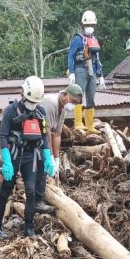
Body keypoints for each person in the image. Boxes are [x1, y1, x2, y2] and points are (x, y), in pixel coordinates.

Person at [0, 77, 56, 238]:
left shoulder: (40, 112)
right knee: (5, 191)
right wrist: (6, 161)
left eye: (34, 102)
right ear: (22, 94)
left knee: (31, 192)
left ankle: (29, 228)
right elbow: (3, 136)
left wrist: (48, 157)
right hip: (14, 154)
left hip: (31, 156)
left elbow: (44, 137)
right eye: (29, 100)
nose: (32, 104)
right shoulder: (10, 111)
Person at [36, 83, 84, 213]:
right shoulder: (51, 103)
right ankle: (38, 200)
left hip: (45, 138)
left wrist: (56, 159)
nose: (73, 105)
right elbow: (47, 133)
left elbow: (57, 135)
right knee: (41, 167)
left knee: (49, 167)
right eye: (73, 101)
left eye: (76, 104)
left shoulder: (62, 109)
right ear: (65, 94)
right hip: (34, 138)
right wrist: (50, 156)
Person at [68, 10, 104, 133]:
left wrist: (100, 75)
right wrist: (72, 72)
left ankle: (90, 126)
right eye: (87, 25)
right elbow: (70, 56)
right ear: (83, 25)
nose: (90, 28)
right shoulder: (78, 39)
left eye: (92, 25)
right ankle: (78, 123)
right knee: (78, 96)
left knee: (91, 99)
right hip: (80, 69)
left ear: (94, 26)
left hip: (92, 71)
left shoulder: (94, 40)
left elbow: (97, 58)